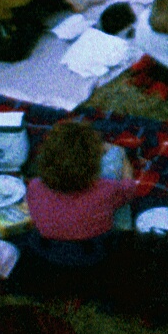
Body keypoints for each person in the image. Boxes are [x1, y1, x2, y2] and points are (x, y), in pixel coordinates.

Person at [24, 117, 139, 277]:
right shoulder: (107, 188)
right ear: (93, 164)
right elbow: (130, 189)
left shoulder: (35, 187)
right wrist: (123, 158)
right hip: (96, 254)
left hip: (49, 252)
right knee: (115, 164)